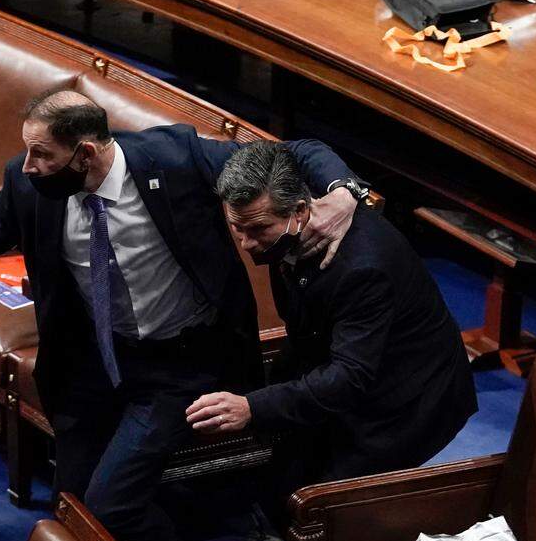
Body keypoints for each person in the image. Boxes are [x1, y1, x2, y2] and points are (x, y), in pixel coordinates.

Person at [0, 88, 362, 541]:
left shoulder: (175, 157)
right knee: (75, 510)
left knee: (110, 506)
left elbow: (298, 149)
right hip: (92, 366)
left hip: (182, 364)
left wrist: (346, 191)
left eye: (42, 155)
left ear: (85, 153)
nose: (28, 166)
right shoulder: (28, 185)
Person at [187, 140, 477, 493]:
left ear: (297, 211)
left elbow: (349, 376)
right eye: (238, 228)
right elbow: (302, 147)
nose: (247, 244)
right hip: (331, 352)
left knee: (317, 506)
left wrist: (253, 406)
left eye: (259, 229)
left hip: (403, 400)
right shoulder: (273, 190)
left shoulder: (362, 268)